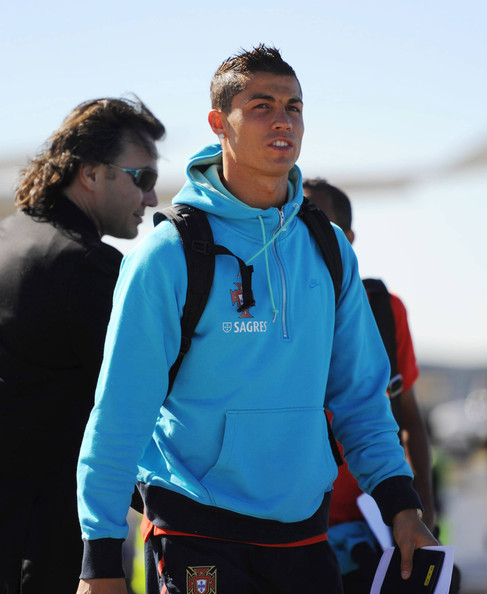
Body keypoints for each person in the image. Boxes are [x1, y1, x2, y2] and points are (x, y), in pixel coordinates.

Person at [76, 45, 436, 594]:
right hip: (196, 529)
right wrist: (100, 559)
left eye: (294, 106)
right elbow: (120, 410)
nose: (283, 120)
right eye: (262, 106)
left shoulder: (329, 248)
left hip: (304, 533)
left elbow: (362, 397)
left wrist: (402, 507)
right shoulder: (168, 254)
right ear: (219, 123)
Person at [0, 96, 165, 594]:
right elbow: (138, 410)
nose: (151, 198)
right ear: (91, 174)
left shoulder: (10, 237)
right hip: (44, 545)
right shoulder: (87, 266)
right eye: (142, 178)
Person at [303, 178, 437, 592]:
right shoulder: (270, 312)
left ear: (348, 240)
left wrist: (421, 511)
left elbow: (408, 417)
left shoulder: (384, 311)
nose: (308, 237)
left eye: (322, 226)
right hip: (293, 528)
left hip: (373, 528)